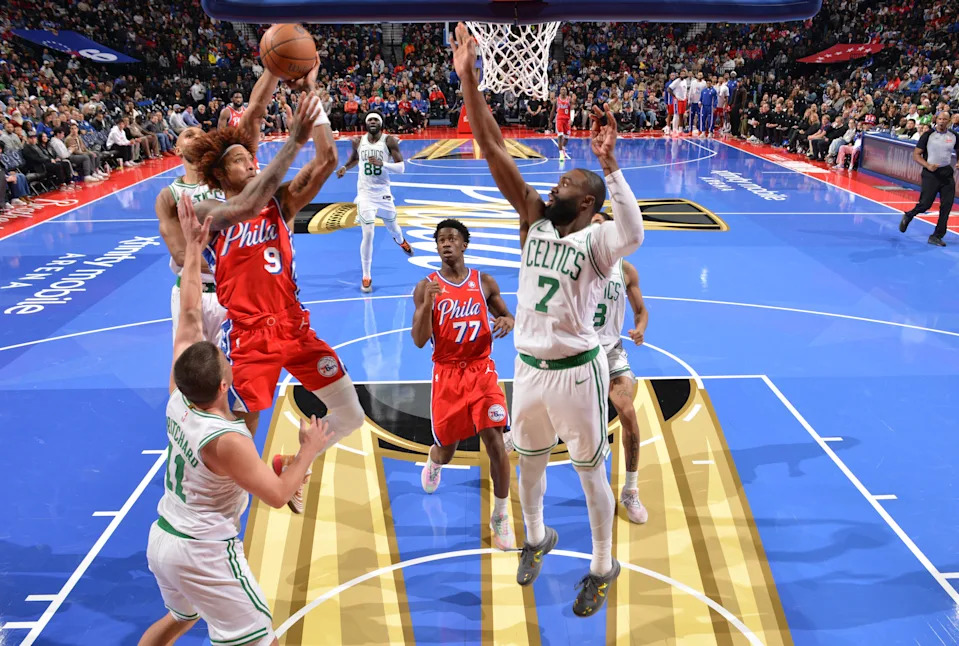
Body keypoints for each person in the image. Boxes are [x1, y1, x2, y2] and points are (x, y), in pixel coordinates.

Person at [452, 22, 645, 617]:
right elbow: (492, 147)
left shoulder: (598, 243)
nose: (552, 186)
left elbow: (634, 231)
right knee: (529, 463)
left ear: (586, 202)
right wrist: (468, 78)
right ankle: (535, 538)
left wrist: (610, 166)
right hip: (528, 370)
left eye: (565, 183)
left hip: (578, 371)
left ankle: (602, 564)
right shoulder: (533, 219)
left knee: (590, 475)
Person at [138, 196, 335, 646]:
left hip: (165, 536)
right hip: (202, 549)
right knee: (260, 633)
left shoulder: (177, 398)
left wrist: (191, 249)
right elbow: (278, 494)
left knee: (181, 619)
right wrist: (309, 447)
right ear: (225, 385)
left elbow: (189, 314)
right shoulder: (227, 437)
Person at [190, 93, 366, 511]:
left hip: (294, 327)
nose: (250, 163)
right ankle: (221, 514)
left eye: (251, 158)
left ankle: (293, 463)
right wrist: (292, 140)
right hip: (249, 337)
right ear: (218, 172)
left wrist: (314, 98)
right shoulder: (209, 209)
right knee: (240, 436)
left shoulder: (279, 203)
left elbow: (326, 160)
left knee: (351, 416)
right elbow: (246, 203)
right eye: (239, 160)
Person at [156, 69, 284, 347]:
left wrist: (273, 69)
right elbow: (180, 254)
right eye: (187, 134)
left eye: (199, 132)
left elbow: (254, 113)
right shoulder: (170, 196)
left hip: (234, 291)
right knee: (188, 367)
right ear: (177, 149)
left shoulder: (224, 177)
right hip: (195, 292)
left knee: (235, 368)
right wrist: (238, 264)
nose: (194, 135)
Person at [411, 218, 516, 550]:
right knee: (447, 448)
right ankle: (434, 461)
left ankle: (500, 515)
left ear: (464, 244)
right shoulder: (425, 286)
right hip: (448, 375)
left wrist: (507, 319)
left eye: (452, 238)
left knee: (495, 440)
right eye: (441, 239)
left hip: (482, 371)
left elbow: (505, 313)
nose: (446, 243)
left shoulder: (482, 282)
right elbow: (418, 340)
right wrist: (427, 305)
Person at [588, 212, 649, 524]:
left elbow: (641, 311)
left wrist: (640, 328)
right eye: (592, 223)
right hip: (581, 351)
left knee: (627, 412)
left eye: (602, 223)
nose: (596, 227)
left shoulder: (625, 269)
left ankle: (631, 490)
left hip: (612, 351)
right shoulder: (577, 263)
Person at [335, 112, 414, 293]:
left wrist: (382, 164)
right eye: (369, 119)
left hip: (383, 193)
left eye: (375, 120)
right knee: (368, 233)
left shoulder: (389, 141)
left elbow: (401, 168)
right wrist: (345, 168)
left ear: (380, 123)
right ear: (365, 123)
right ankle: (366, 276)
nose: (372, 122)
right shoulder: (358, 141)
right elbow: (355, 159)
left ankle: (401, 241)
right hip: (365, 194)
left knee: (394, 228)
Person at [900, 110, 959, 247]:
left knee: (947, 205)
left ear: (949, 121)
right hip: (930, 174)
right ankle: (909, 215)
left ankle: (936, 235)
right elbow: (916, 155)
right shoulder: (928, 135)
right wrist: (927, 165)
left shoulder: (954, 136)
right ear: (936, 120)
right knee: (925, 204)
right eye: (940, 119)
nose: (942, 121)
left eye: (945, 119)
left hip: (946, 174)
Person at [554, 86, 574, 160]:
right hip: (559, 119)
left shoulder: (569, 99)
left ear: (566, 91)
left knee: (566, 138)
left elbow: (572, 109)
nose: (563, 90)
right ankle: (561, 154)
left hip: (567, 120)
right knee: (560, 136)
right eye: (562, 89)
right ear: (560, 91)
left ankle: (563, 148)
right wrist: (550, 121)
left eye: (564, 89)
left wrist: (572, 119)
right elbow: (553, 110)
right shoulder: (557, 100)